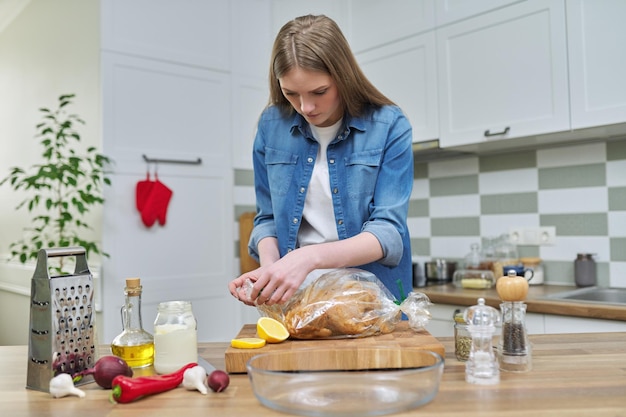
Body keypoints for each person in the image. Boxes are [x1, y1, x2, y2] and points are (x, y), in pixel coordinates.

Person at [229, 14, 414, 307]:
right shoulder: (271, 125)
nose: (306, 107)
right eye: (291, 94)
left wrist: (308, 258)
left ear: (343, 77)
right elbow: (267, 219)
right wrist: (270, 268)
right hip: (298, 302)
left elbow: (388, 233)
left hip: (372, 303)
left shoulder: (389, 124)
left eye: (319, 92)